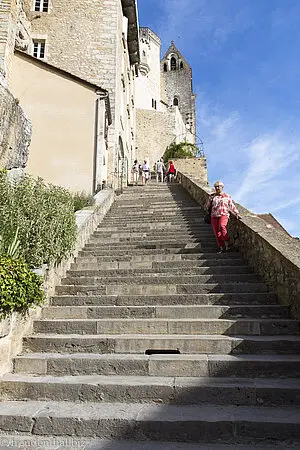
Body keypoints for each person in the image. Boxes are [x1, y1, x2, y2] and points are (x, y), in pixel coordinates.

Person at [205, 181, 241, 253]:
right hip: (214, 215)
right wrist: (208, 205)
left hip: (223, 214)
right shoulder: (212, 196)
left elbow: (231, 206)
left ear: (222, 187)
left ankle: (227, 244)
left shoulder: (227, 196)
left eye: (219, 186)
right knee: (217, 232)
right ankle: (221, 247)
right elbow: (207, 206)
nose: (217, 188)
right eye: (216, 187)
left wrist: (236, 213)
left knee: (222, 226)